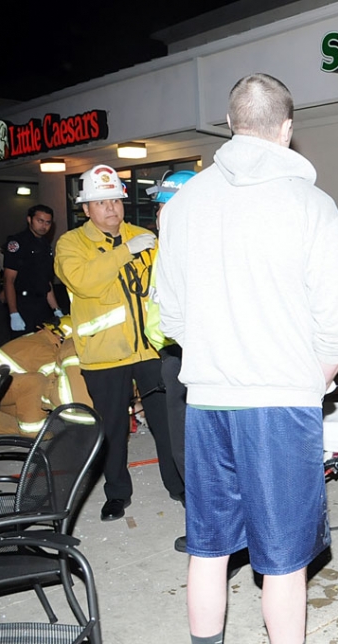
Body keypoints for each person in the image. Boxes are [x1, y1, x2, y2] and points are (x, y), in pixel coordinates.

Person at [155, 73, 338, 644]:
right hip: (280, 403)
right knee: (284, 561)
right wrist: (309, 379)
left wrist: (219, 357)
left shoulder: (186, 203)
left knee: (209, 547)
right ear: (287, 130)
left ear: (229, 124)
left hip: (209, 401)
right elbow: (337, 326)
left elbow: (169, 315)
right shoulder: (311, 205)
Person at [54, 164, 183, 522]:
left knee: (166, 422)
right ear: (86, 209)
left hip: (149, 349)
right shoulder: (71, 244)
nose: (111, 208)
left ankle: (178, 485)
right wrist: (125, 251)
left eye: (116, 201)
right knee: (111, 428)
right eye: (101, 202)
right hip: (104, 353)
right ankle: (116, 493)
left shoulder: (144, 236)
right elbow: (83, 282)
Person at [144, 170, 197, 552]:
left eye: (165, 205)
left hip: (186, 354)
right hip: (175, 352)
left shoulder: (184, 248)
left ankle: (206, 527)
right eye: (159, 206)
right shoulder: (176, 244)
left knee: (189, 446)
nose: (159, 213)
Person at [4, 205, 63, 338]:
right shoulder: (18, 243)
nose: (44, 226)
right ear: (29, 220)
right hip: (23, 304)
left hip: (42, 305)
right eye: (40, 221)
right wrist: (13, 313)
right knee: (22, 349)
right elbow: (9, 280)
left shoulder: (45, 245)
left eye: (48, 222)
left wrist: (56, 309)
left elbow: (46, 282)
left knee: (45, 346)